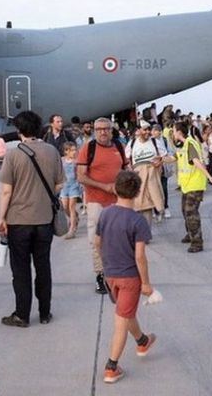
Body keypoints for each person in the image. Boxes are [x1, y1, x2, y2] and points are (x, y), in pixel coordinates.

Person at [0, 110, 65, 327]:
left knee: (21, 270)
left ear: (19, 130)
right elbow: (59, 184)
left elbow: (6, 191)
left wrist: (1, 217)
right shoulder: (52, 151)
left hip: (19, 220)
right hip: (44, 219)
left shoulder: (13, 155)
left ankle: (22, 314)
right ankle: (45, 312)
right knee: (43, 266)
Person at [94, 171, 157, 384]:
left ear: (115, 188)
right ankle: (111, 367)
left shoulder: (105, 214)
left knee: (125, 312)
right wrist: (146, 283)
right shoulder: (138, 221)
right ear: (137, 192)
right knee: (121, 321)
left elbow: (97, 242)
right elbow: (140, 256)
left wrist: (105, 264)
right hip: (130, 277)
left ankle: (142, 341)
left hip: (111, 275)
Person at [77, 117, 127, 294]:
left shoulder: (118, 146)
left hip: (118, 202)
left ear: (111, 130)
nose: (103, 132)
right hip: (96, 201)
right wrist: (104, 186)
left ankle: (116, 274)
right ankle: (101, 275)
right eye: (98, 129)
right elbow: (81, 176)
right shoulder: (88, 148)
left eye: (106, 129)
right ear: (94, 131)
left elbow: (126, 169)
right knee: (97, 240)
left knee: (118, 239)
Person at [172, 121, 212, 253]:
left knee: (191, 213)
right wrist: (161, 159)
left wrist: (209, 176)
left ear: (179, 132)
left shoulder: (190, 144)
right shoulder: (182, 145)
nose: (172, 133)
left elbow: (196, 162)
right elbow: (175, 157)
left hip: (195, 184)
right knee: (185, 211)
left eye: (174, 131)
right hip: (187, 185)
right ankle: (190, 234)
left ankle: (197, 242)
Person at [124, 121, 165, 227]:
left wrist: (160, 161)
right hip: (137, 181)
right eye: (144, 129)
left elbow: (164, 156)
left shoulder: (155, 142)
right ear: (138, 131)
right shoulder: (132, 143)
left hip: (152, 179)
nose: (147, 132)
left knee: (147, 207)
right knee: (137, 207)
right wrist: (129, 168)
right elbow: (126, 159)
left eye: (148, 129)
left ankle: (146, 231)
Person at [59, 143, 83, 238]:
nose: (74, 152)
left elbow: (79, 174)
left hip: (74, 185)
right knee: (65, 207)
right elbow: (59, 172)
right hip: (64, 186)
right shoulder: (61, 160)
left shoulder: (76, 161)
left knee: (71, 207)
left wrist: (80, 184)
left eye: (75, 150)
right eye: (72, 150)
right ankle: (75, 217)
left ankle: (72, 229)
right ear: (66, 151)